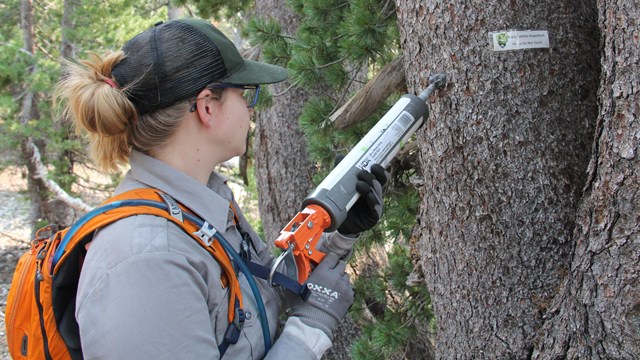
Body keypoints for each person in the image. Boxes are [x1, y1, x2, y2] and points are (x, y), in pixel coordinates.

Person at [55, 18, 386, 359]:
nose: (249, 109)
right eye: (244, 94)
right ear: (207, 107)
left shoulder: (202, 206)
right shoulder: (146, 261)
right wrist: (310, 327)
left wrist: (338, 233)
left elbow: (262, 294)